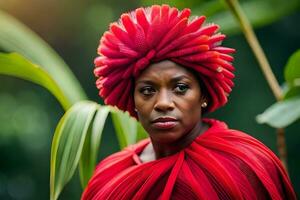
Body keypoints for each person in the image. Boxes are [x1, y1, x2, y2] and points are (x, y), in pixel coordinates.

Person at [82, 5, 296, 200]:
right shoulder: (109, 177)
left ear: (203, 95)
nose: (163, 103)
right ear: (132, 99)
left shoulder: (244, 164)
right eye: (147, 91)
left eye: (180, 88)